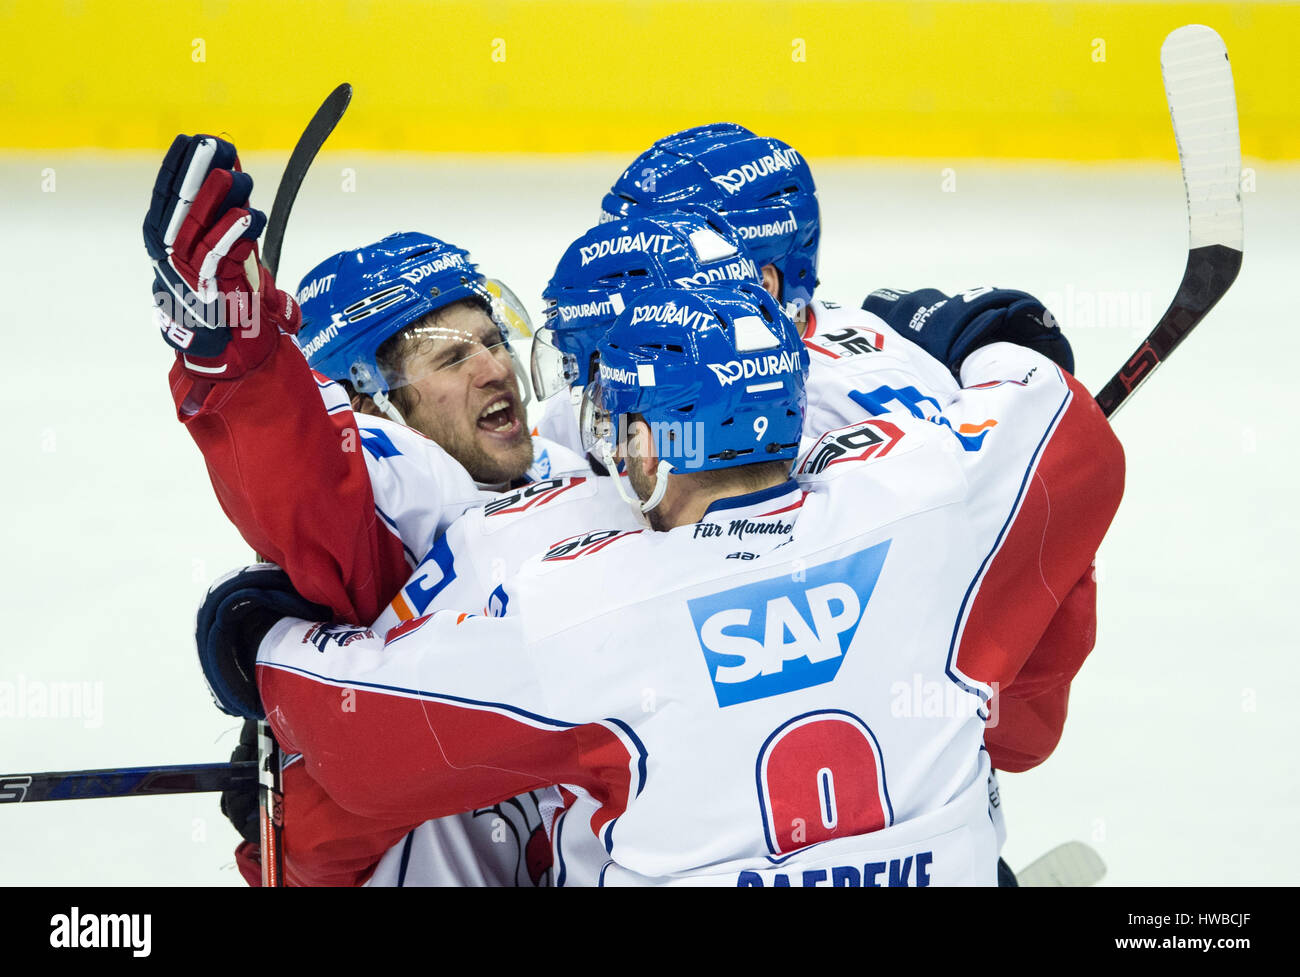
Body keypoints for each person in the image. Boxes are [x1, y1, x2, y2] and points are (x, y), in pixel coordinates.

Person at [197, 282, 1125, 884]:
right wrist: (989, 350)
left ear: (644, 442)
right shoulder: (919, 500)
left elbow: (352, 740)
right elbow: (1069, 440)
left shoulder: (584, 601)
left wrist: (266, 650)